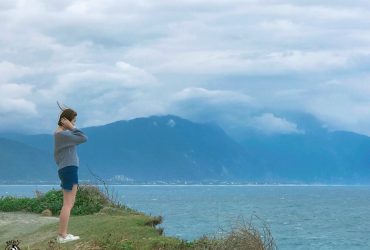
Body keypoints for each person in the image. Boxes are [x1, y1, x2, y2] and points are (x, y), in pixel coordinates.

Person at [54, 106, 88, 243]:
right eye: (73, 121)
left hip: (66, 169)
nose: (74, 124)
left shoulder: (61, 135)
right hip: (69, 169)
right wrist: (71, 127)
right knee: (68, 204)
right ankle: (62, 235)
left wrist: (69, 125)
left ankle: (62, 234)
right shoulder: (63, 135)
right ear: (65, 121)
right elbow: (83, 138)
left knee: (68, 203)